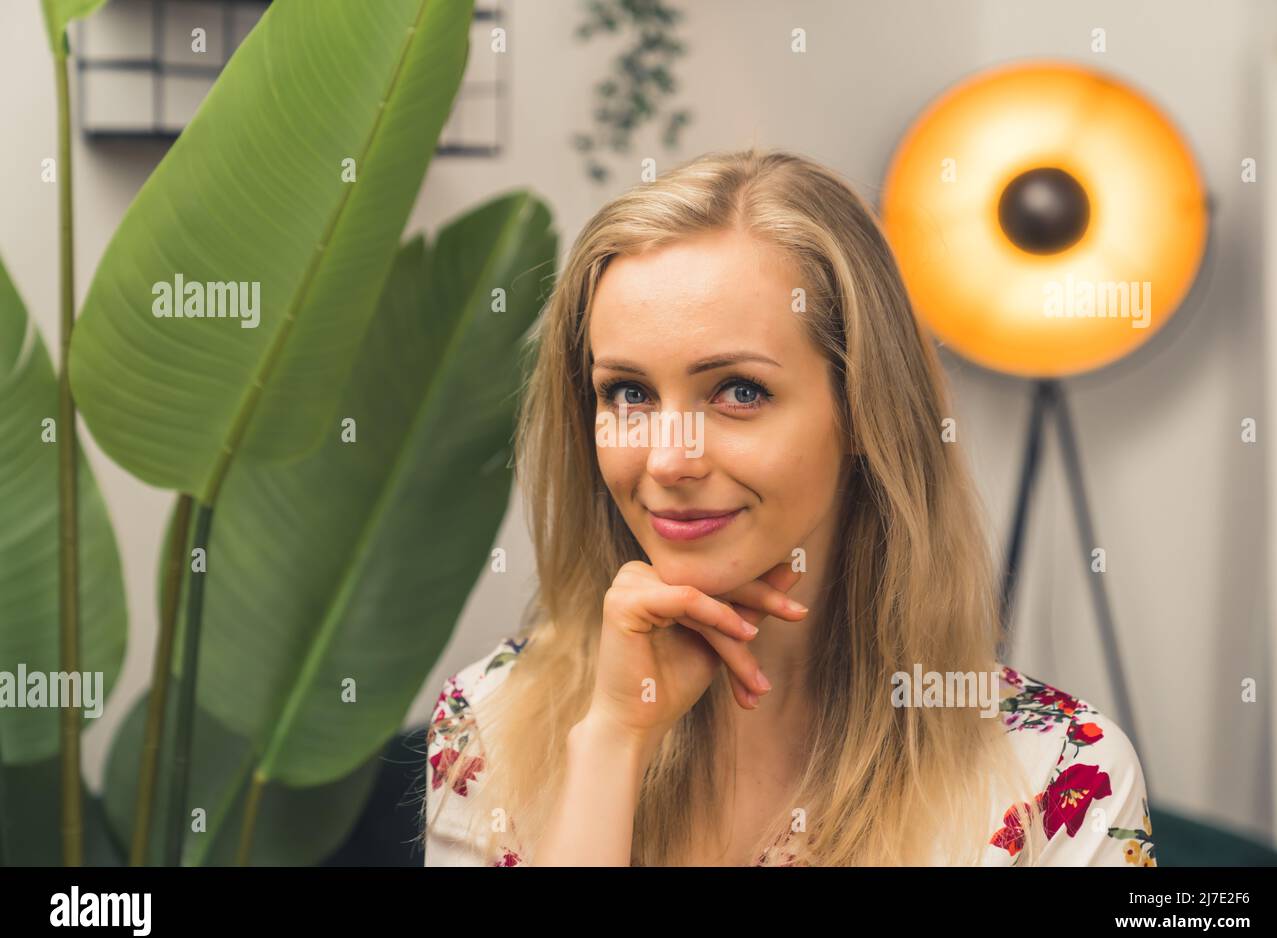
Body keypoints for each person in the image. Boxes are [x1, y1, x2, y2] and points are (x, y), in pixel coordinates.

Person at [423, 147, 1156, 867]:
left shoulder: (1061, 781)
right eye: (629, 393)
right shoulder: (487, 719)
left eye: (739, 391)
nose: (668, 460)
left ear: (867, 411)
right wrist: (611, 742)